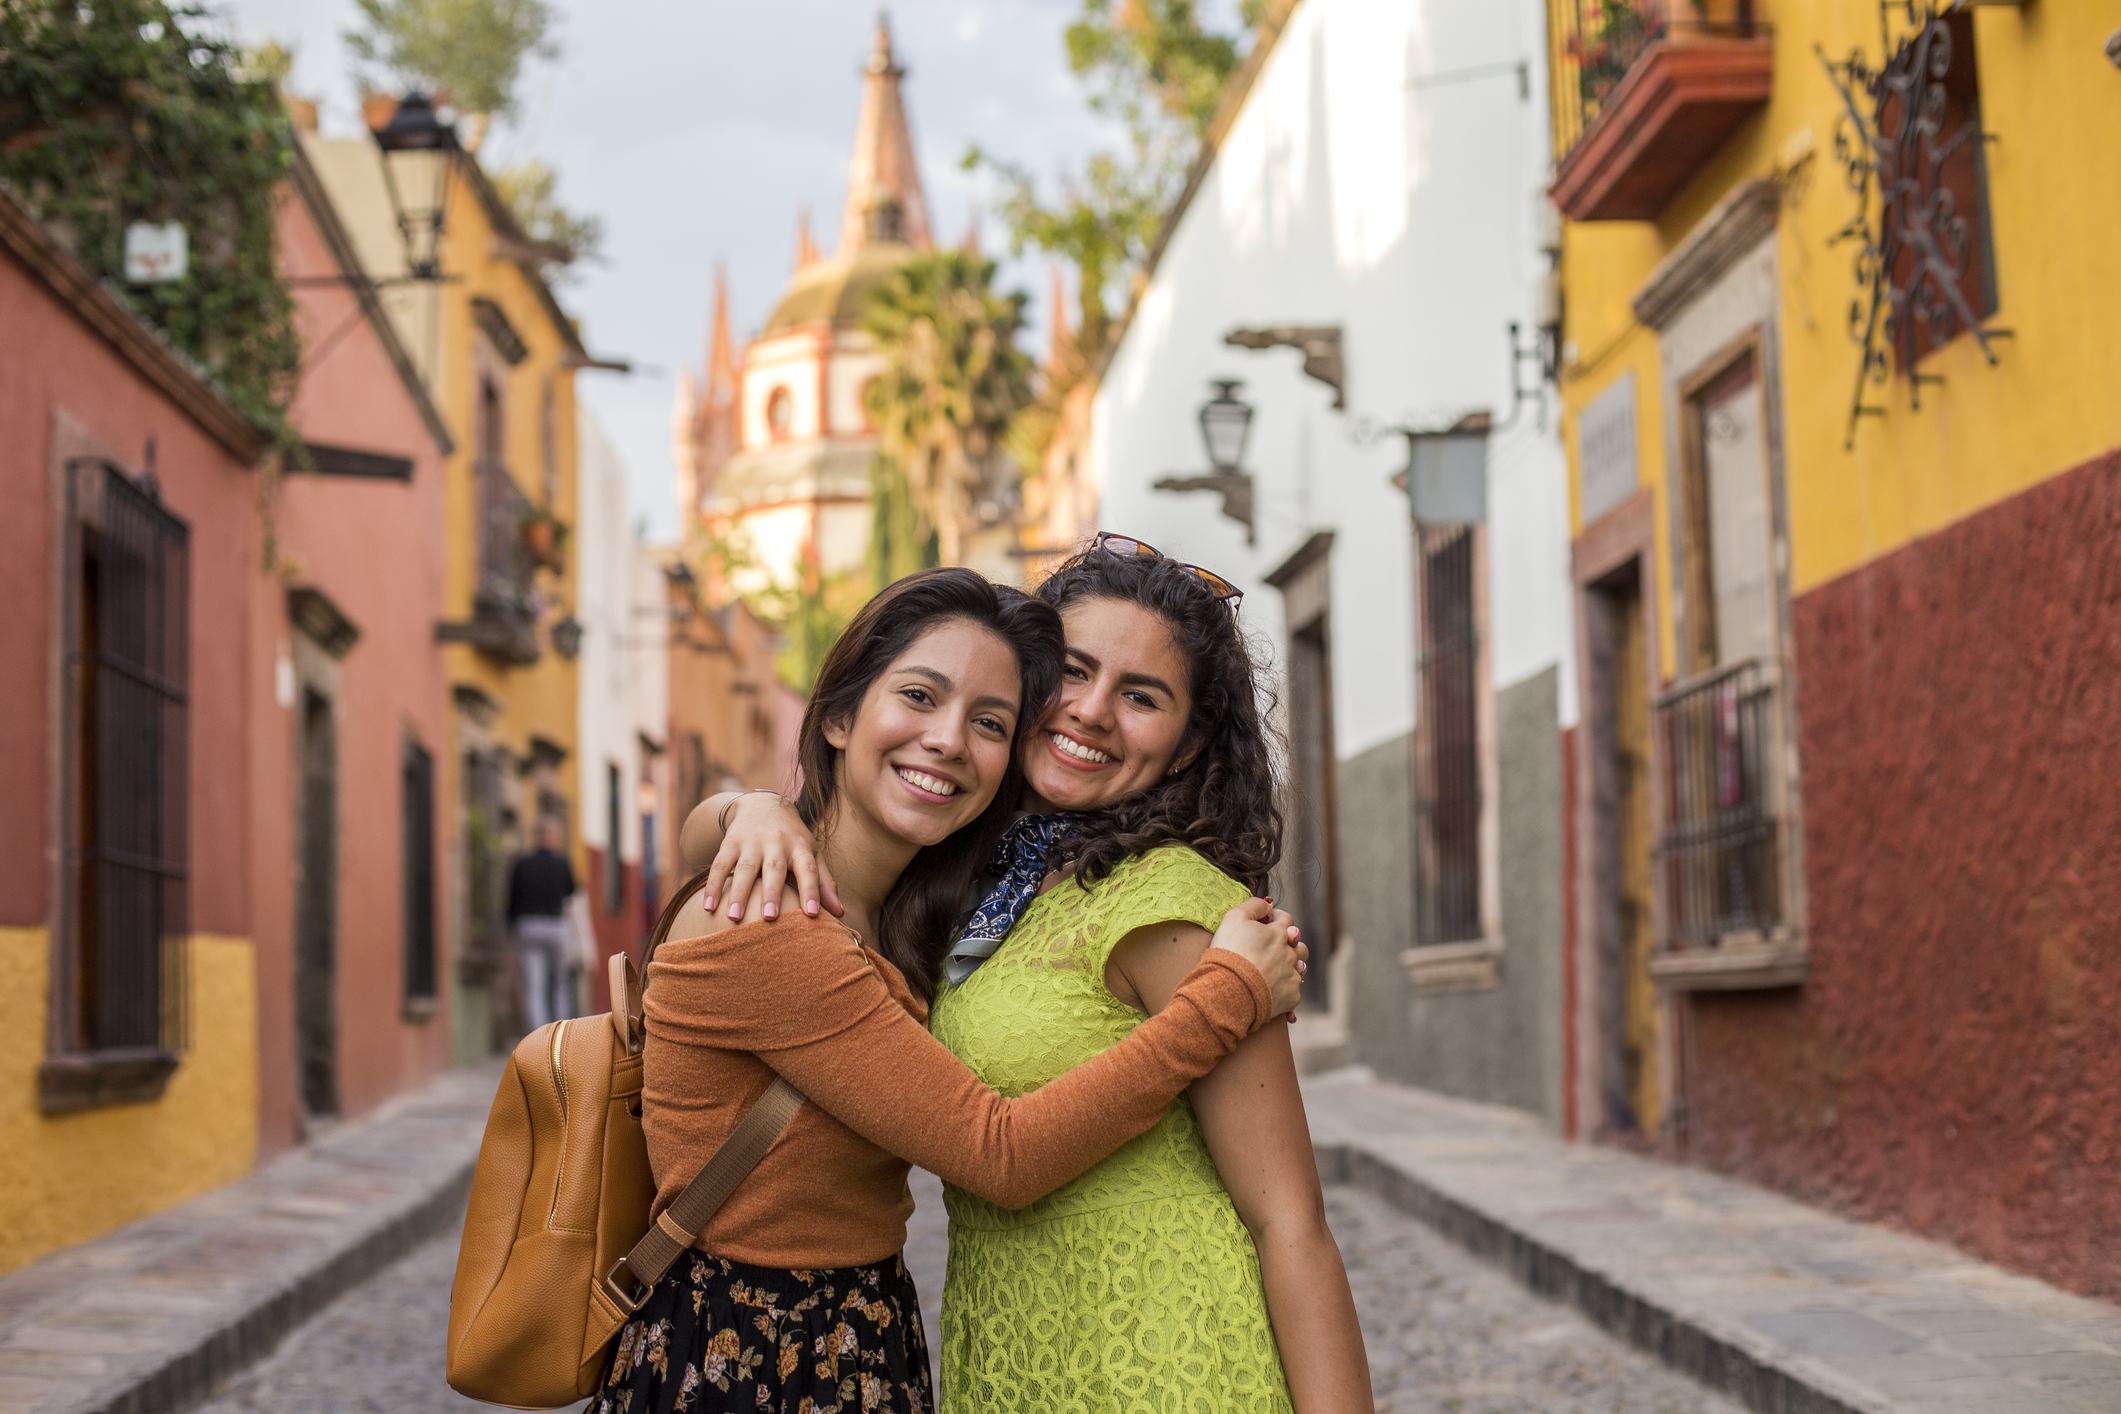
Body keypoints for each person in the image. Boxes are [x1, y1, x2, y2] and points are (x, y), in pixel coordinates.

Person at [593, 567, 1307, 1414]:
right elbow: (999, 1155)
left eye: (989, 722)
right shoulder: (777, 923)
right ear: (836, 716)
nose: (946, 740)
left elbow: (694, 839)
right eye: (919, 696)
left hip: (849, 1337)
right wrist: (1224, 998)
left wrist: (745, 809)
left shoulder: (913, 904)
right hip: (756, 1357)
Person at [506, 815, 576, 1033]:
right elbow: (571, 891)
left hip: (528, 927)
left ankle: (538, 1040)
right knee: (560, 986)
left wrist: (511, 927)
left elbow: (512, 899)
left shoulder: (522, 863)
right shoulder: (562, 862)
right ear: (554, 837)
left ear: (537, 837)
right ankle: (561, 1036)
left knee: (534, 988)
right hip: (555, 927)